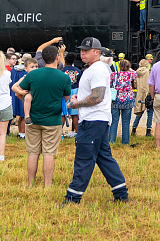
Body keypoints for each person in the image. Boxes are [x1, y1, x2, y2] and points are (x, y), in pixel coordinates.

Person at [62, 37, 129, 206]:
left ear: (97, 52)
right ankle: (121, 193)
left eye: (86, 50)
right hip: (96, 120)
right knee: (104, 158)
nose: (82, 53)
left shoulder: (98, 69)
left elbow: (98, 96)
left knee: (84, 159)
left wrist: (77, 103)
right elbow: (93, 94)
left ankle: (73, 199)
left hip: (93, 121)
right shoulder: (93, 68)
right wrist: (79, 98)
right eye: (81, 50)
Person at [15, 46, 72, 188]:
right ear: (57, 58)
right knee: (48, 153)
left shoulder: (32, 75)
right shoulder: (64, 77)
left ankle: (30, 184)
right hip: (52, 120)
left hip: (32, 119)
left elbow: (19, 91)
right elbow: (66, 98)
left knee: (33, 153)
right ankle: (47, 186)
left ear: (42, 60)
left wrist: (28, 98)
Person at [109, 59, 136, 145]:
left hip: (116, 100)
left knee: (114, 122)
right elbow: (136, 73)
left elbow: (110, 83)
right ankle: (125, 142)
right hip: (127, 100)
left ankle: (112, 141)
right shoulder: (131, 74)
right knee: (126, 123)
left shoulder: (114, 74)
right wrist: (129, 68)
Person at [131, 58, 151, 137]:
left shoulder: (136, 73)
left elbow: (135, 85)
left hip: (139, 95)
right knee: (150, 114)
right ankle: (148, 131)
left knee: (139, 113)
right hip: (148, 94)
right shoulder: (149, 72)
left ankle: (134, 129)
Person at [10, 56, 28, 139]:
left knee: (20, 116)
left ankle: (20, 133)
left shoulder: (13, 70)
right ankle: (23, 134)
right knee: (24, 115)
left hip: (14, 94)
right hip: (23, 94)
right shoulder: (26, 72)